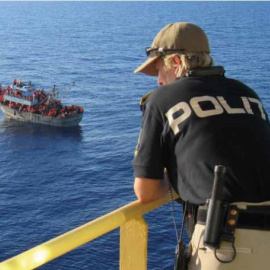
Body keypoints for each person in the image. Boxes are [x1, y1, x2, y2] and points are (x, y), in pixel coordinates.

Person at [132, 22, 270, 270]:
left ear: (176, 62)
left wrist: (173, 179)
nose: (159, 81)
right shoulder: (247, 94)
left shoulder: (162, 100)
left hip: (227, 245)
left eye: (158, 70)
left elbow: (146, 192)